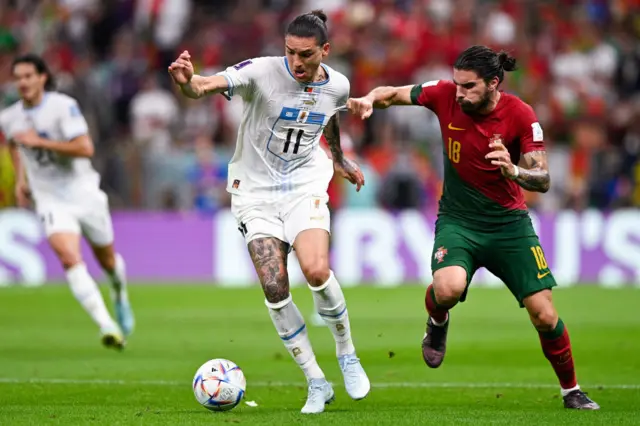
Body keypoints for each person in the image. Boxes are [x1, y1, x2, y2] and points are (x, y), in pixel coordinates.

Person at [346, 45, 599, 410]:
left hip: (510, 225)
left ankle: (571, 390)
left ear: (493, 83)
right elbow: (394, 94)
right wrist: (370, 98)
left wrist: (514, 171)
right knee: (447, 289)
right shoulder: (444, 94)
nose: (459, 93)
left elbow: (542, 179)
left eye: (468, 86)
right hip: (458, 221)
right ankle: (437, 320)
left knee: (544, 314)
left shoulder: (521, 115)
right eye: (457, 84)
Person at [168, 10, 370, 414]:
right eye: (290, 52)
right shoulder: (261, 71)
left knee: (315, 270)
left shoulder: (339, 85)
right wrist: (188, 82)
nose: (296, 62)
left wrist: (340, 160)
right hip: (255, 192)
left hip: (304, 185)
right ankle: (316, 380)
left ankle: (347, 353)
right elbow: (205, 86)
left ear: (324, 51)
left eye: (306, 55)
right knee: (275, 287)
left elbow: (328, 118)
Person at [1, 54, 134, 350]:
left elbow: (85, 148)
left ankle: (119, 295)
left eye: (27, 76)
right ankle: (106, 325)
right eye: (18, 77)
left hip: (84, 193)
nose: (22, 82)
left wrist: (42, 142)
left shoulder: (63, 107)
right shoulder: (10, 117)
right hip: (49, 198)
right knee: (68, 258)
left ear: (42, 78)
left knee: (108, 262)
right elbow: (14, 144)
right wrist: (22, 179)